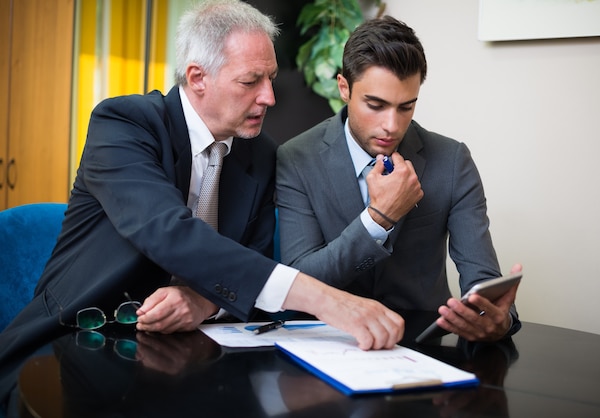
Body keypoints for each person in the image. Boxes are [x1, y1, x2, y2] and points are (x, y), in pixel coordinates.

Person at [0, 0, 404, 386]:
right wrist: (329, 301)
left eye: (271, 79)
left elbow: (255, 256)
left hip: (191, 358)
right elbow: (170, 233)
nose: (269, 97)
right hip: (71, 346)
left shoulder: (260, 154)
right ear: (197, 78)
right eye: (250, 81)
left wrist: (203, 300)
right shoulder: (123, 124)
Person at [276, 15, 522, 342]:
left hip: (423, 347)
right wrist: (379, 219)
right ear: (344, 88)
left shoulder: (452, 161)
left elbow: (482, 281)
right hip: (325, 342)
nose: (392, 125)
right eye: (375, 105)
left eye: (406, 107)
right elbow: (300, 279)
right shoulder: (296, 158)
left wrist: (498, 320)